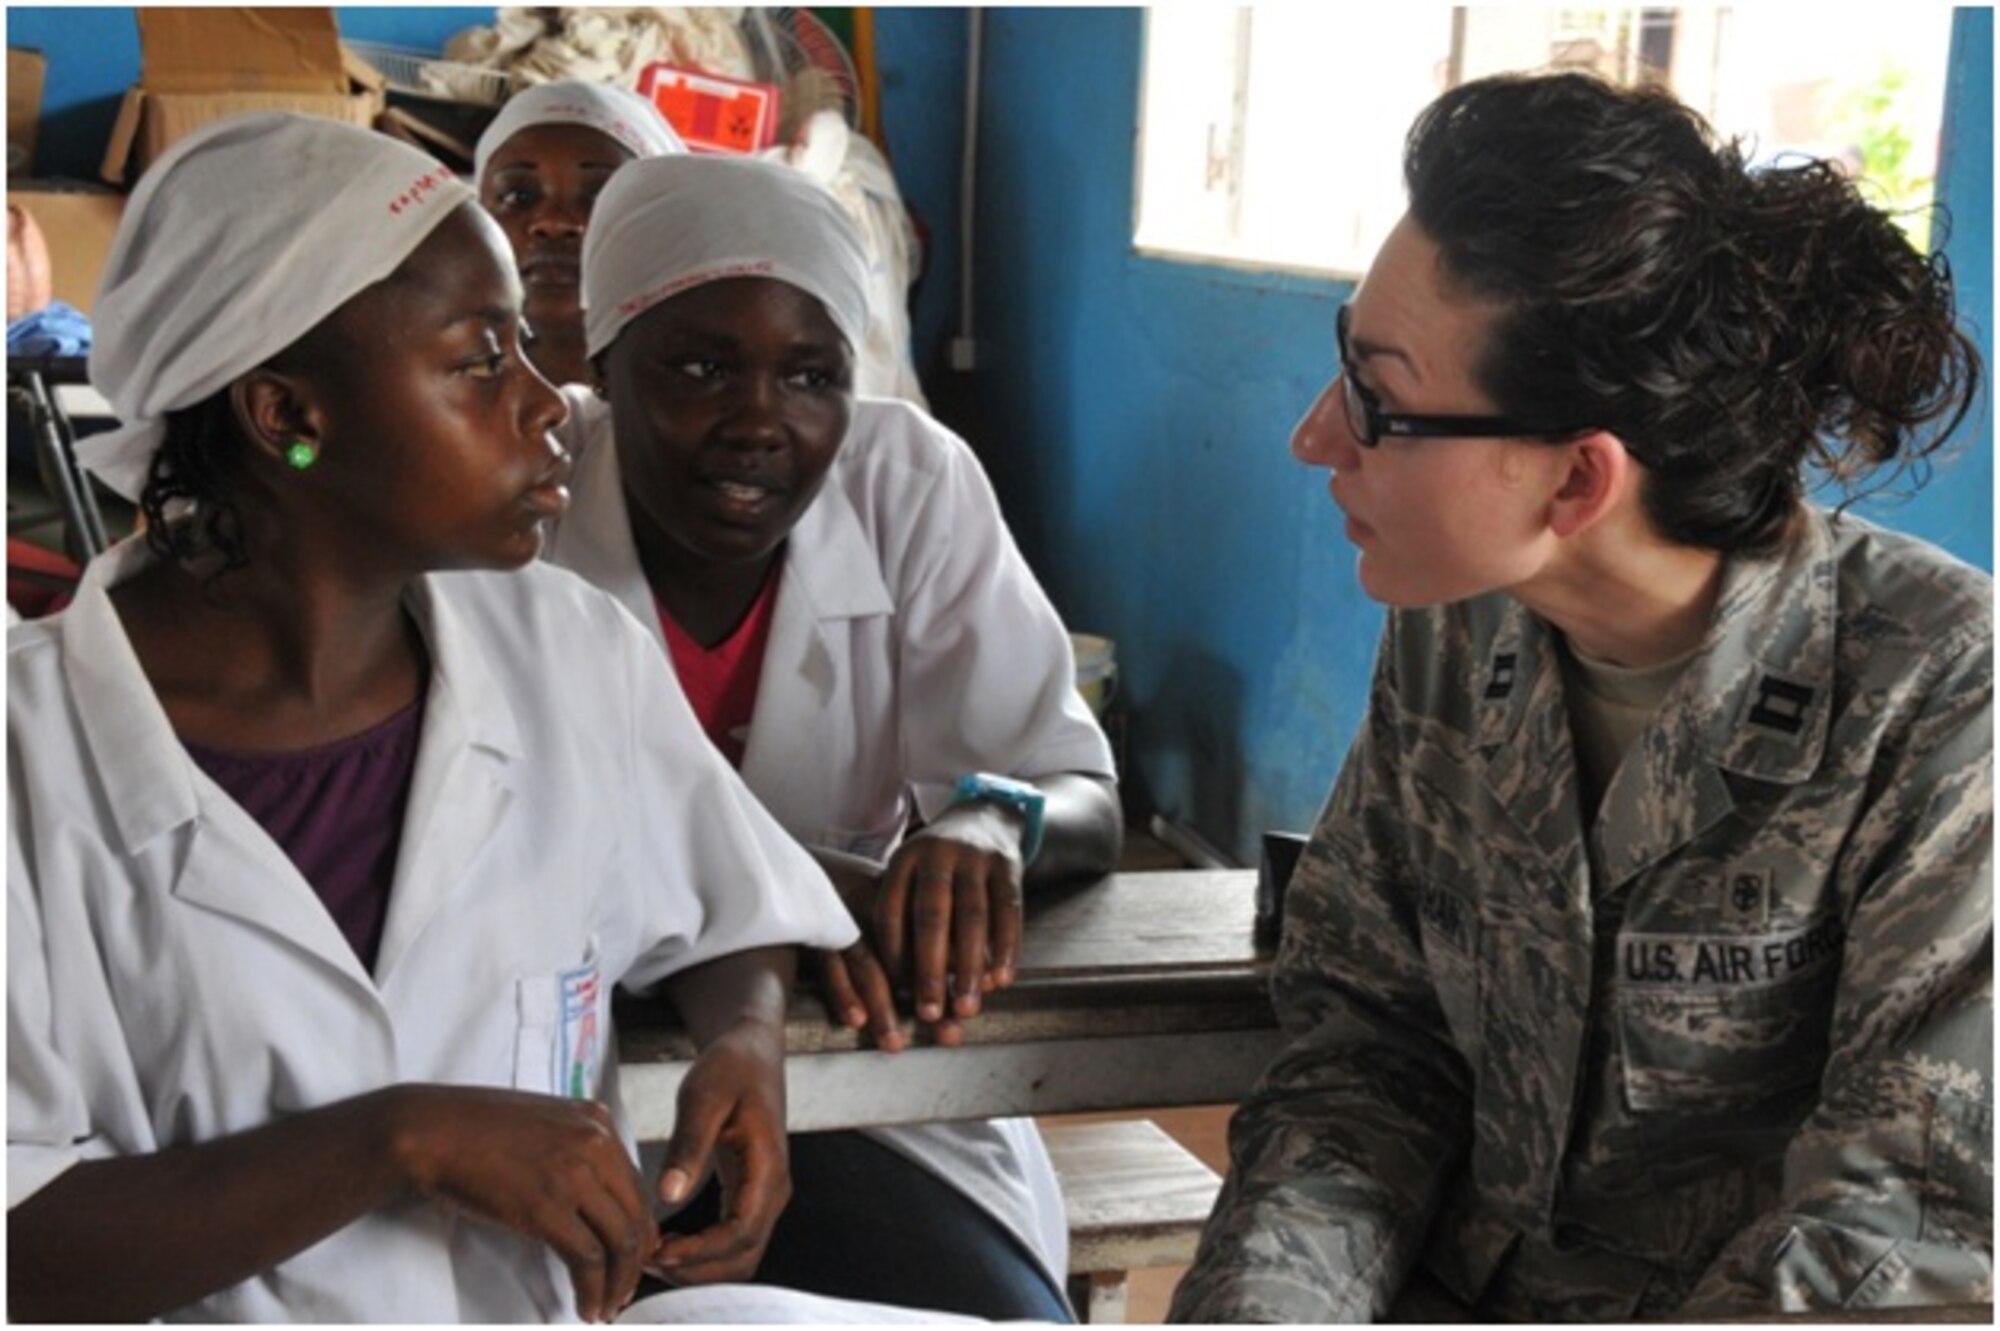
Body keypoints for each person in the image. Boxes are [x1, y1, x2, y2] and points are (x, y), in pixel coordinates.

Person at [7, 113, 859, 1323]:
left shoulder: (562, 654)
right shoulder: (25, 761)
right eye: (478, 361)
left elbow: (726, 902)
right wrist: (397, 1141)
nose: (546, 404)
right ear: (288, 416)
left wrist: (746, 1038)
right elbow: (15, 1243)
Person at [1171, 71, 1991, 1323]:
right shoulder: (1452, 628)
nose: (1315, 435)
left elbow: (1898, 1236)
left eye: (1378, 398)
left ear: (1571, 484)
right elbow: (1368, 1053)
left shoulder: (1936, 694)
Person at [544, 152, 1123, 1319]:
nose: (760, 420)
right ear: (604, 362)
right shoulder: (523, 502)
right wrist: (793, 882)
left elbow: (1076, 788)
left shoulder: (907, 480)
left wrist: (988, 819)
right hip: (567, 1077)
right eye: (699, 367)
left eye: (812, 374)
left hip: (851, 1065)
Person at [475, 80, 685, 386]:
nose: (554, 222)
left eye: (601, 196)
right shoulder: (420, 389)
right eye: (516, 196)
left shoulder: (701, 402)